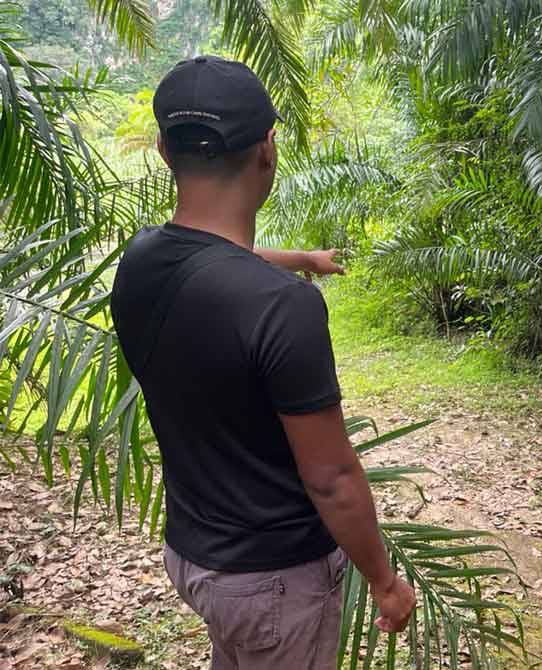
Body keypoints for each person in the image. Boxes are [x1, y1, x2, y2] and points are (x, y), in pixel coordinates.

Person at [110, 55, 415, 669]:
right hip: (273, 581)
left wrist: (301, 257)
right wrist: (385, 580)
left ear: (166, 151)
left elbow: (218, 260)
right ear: (267, 150)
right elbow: (331, 478)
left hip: (195, 561)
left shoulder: (140, 261)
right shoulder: (282, 309)